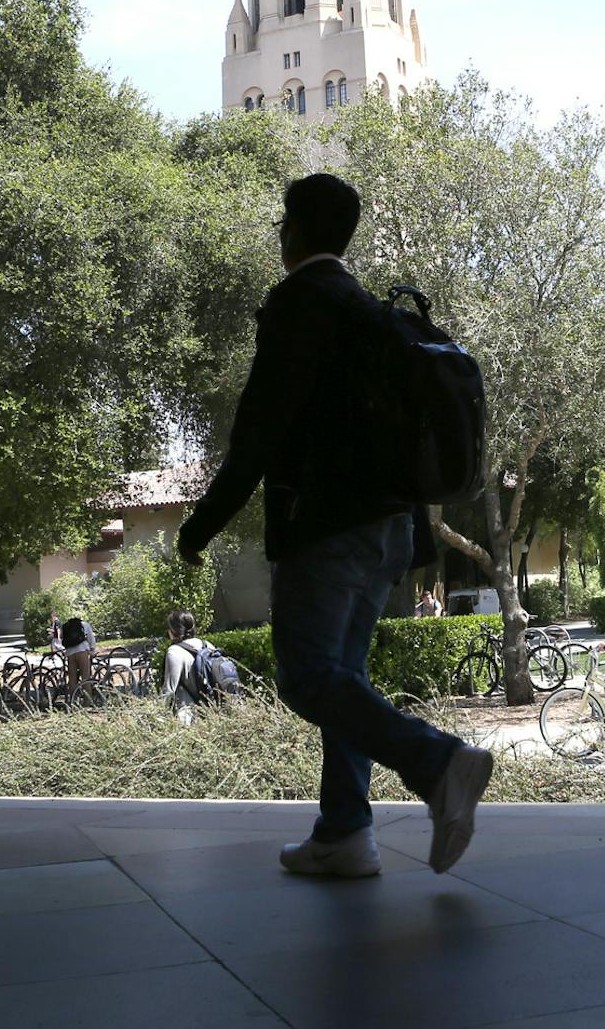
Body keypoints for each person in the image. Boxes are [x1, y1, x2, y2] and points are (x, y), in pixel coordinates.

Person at [178, 172, 493, 879]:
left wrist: (200, 526)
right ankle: (345, 830)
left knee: (307, 676)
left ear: (292, 230)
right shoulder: (369, 311)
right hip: (389, 532)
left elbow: (258, 433)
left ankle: (439, 761)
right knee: (344, 678)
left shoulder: (300, 305)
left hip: (325, 527)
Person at [163, 609, 207, 724]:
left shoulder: (174, 651)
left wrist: (156, 714)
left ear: (173, 630)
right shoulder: (206, 644)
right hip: (214, 707)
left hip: (190, 716)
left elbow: (168, 690)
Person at [59, 614, 96, 695]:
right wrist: (92, 650)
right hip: (82, 652)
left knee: (72, 680)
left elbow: (62, 638)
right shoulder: (85, 625)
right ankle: (87, 701)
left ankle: (73, 702)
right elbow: (91, 639)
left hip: (70, 654)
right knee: (85, 678)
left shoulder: (65, 626)